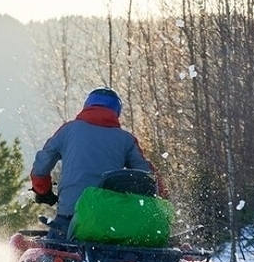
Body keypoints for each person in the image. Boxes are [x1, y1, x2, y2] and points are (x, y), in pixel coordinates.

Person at [30, 87, 165, 238]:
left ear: (87, 106)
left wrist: (44, 192)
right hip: (108, 221)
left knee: (52, 254)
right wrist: (161, 203)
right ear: (116, 112)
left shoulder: (68, 130)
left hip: (68, 218)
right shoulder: (126, 140)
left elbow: (41, 166)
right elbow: (150, 178)